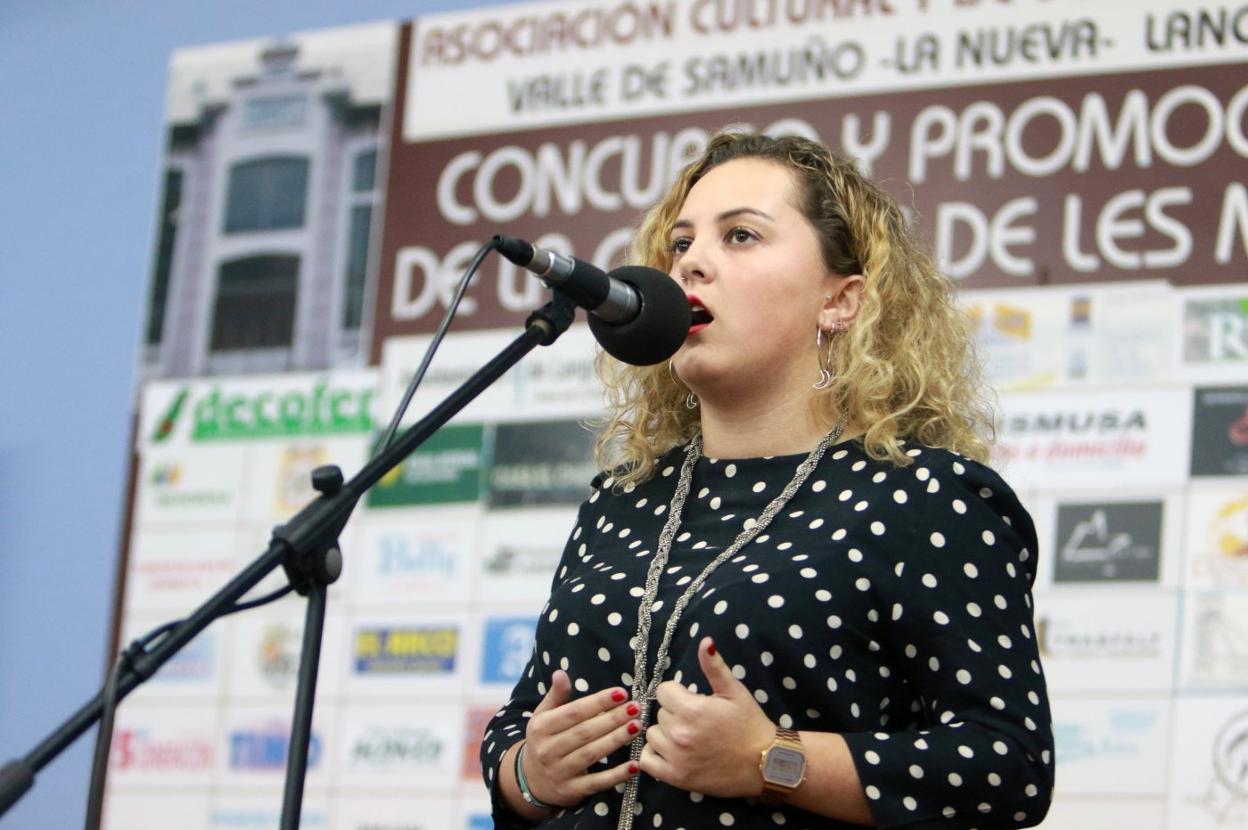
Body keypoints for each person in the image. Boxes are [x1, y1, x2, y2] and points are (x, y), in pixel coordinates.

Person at [479, 130, 1055, 829]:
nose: (690, 265)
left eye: (741, 236)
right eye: (681, 244)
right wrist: (527, 774)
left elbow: (1007, 767)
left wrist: (770, 760)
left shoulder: (924, 496)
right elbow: (518, 724)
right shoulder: (622, 500)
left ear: (840, 301)